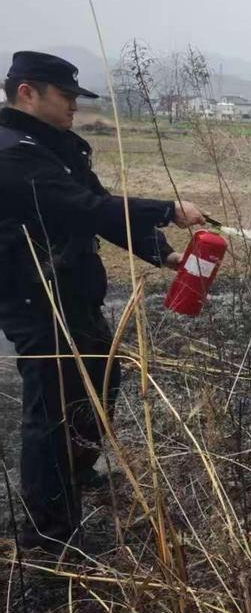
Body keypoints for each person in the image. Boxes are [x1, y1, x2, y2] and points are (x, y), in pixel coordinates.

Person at [0, 51, 206, 554]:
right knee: (52, 407)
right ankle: (47, 533)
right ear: (28, 92)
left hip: (72, 291)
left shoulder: (62, 147)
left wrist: (164, 253)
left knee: (104, 374)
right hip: (34, 295)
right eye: (66, 96)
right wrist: (167, 209)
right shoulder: (11, 151)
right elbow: (80, 206)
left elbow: (100, 212)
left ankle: (75, 469)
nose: (74, 105)